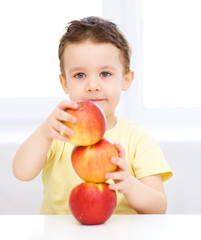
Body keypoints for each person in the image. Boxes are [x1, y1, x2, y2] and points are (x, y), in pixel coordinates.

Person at [13, 16, 172, 214]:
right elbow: (22, 172)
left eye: (105, 74)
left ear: (126, 79)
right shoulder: (59, 132)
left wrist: (130, 185)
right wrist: (45, 132)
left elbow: (159, 207)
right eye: (79, 75)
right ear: (64, 83)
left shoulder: (137, 138)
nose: (92, 86)